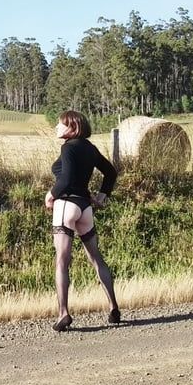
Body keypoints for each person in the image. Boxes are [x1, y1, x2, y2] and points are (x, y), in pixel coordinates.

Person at [44, 110, 120, 331]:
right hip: (85, 207)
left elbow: (66, 179)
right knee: (96, 257)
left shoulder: (68, 147)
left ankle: (63, 313)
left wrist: (51, 194)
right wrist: (102, 196)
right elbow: (111, 173)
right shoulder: (90, 148)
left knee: (62, 261)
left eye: (60, 124)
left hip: (66, 204)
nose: (57, 128)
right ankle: (113, 306)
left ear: (71, 127)